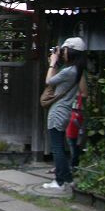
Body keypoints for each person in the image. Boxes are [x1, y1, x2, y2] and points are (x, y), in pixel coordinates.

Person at [43, 36, 88, 190]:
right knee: (60, 147)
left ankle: (60, 181)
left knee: (57, 149)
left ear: (71, 52)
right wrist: (56, 64)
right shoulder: (77, 70)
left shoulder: (69, 71)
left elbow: (49, 81)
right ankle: (66, 179)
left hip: (57, 112)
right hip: (66, 112)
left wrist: (52, 63)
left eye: (65, 50)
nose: (63, 53)